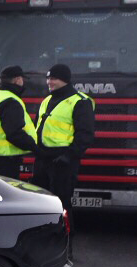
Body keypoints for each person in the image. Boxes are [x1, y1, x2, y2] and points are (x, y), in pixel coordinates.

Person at [33, 63, 95, 206]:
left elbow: (85, 134)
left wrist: (68, 157)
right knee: (40, 204)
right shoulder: (47, 100)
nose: (49, 82)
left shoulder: (80, 101)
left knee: (61, 204)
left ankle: (65, 222)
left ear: (65, 80)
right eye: (48, 78)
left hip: (63, 161)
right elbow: (37, 127)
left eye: (53, 79)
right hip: (43, 160)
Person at [0, 65, 37, 179]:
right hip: (7, 160)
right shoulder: (11, 101)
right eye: (22, 79)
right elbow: (14, 134)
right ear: (17, 80)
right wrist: (35, 148)